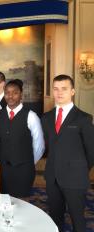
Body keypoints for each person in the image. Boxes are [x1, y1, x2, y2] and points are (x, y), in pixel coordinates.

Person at [41, 75, 94, 232]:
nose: (59, 93)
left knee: (77, 219)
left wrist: (81, 169)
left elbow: (91, 150)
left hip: (75, 178)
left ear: (72, 91)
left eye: (64, 89)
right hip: (52, 177)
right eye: (56, 89)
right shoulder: (46, 118)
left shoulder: (84, 118)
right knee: (54, 218)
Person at [0, 79, 44, 198]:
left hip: (23, 170)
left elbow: (39, 145)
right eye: (7, 92)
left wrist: (28, 162)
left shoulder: (31, 116)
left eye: (15, 92)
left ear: (21, 94)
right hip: (3, 169)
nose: (10, 96)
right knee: (3, 201)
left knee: (22, 203)